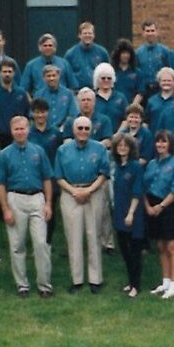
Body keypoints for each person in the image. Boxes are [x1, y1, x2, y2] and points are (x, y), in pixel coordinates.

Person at [0, 116, 55, 298]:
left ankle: (44, 285)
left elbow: (47, 178)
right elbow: (0, 184)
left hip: (37, 198)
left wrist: (49, 204)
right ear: (12, 131)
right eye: (16, 129)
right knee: (17, 244)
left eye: (23, 128)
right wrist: (5, 208)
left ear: (28, 129)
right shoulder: (4, 155)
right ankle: (22, 285)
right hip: (15, 198)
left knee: (41, 243)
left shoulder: (38, 151)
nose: (20, 132)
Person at [54, 116, 111, 294]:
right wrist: (74, 191)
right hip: (70, 193)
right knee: (74, 237)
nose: (83, 132)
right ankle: (77, 280)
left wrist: (89, 191)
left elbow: (104, 173)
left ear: (91, 130)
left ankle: (95, 279)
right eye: (80, 128)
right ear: (73, 130)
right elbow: (58, 176)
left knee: (94, 235)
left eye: (87, 128)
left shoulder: (100, 148)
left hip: (93, 192)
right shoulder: (63, 150)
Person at [144, 130, 174, 299]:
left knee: (172, 246)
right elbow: (144, 186)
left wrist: (161, 206)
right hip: (152, 206)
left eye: (164, 142)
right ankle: (166, 281)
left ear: (170, 144)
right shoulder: (152, 164)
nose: (160, 145)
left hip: (170, 206)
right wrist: (148, 206)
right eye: (158, 142)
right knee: (161, 246)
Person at [110, 134, 145, 298]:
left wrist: (131, 213)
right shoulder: (117, 166)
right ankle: (130, 282)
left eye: (125, 145)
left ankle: (136, 286)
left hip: (133, 214)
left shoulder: (135, 166)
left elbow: (137, 191)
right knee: (124, 250)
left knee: (134, 252)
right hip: (119, 212)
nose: (122, 148)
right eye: (119, 145)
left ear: (131, 148)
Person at [0, 58, 31, 148]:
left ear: (14, 73)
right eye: (4, 71)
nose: (7, 74)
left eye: (10, 72)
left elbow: (27, 117)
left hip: (19, 137)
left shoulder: (21, 93)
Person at [34, 64, 79, 133]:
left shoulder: (68, 93)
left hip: (63, 131)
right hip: (44, 131)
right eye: (48, 76)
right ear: (44, 78)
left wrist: (63, 128)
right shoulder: (38, 95)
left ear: (59, 76)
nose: (51, 78)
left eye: (54, 75)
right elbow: (35, 115)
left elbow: (73, 114)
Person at [65, 21, 110, 90]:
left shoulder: (102, 53)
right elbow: (66, 75)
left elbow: (108, 72)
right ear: (79, 35)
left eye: (90, 33)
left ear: (94, 35)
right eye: (85, 33)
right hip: (77, 92)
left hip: (97, 91)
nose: (87, 35)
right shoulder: (70, 54)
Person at [136, 20, 172, 96]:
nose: (150, 33)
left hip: (161, 91)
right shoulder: (138, 53)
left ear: (157, 32)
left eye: (152, 31)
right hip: (143, 92)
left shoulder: (165, 51)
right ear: (143, 33)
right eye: (147, 31)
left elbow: (170, 71)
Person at [110, 38, 145, 107]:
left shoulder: (138, 73)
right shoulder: (111, 72)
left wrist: (132, 107)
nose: (125, 56)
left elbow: (140, 93)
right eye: (123, 53)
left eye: (127, 53)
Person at [94, 63, 129, 129]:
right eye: (103, 78)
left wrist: (118, 135)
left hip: (118, 136)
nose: (106, 80)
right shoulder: (92, 98)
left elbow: (126, 119)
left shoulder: (121, 98)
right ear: (97, 80)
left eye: (109, 78)